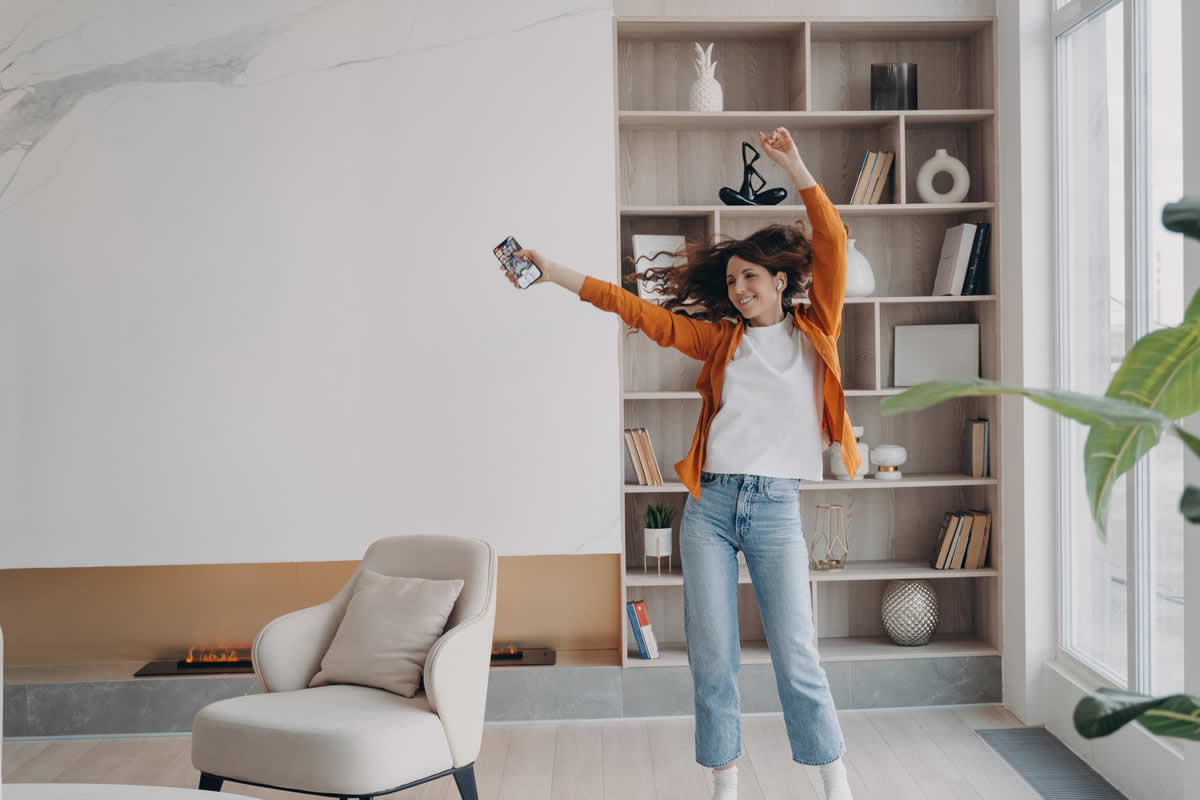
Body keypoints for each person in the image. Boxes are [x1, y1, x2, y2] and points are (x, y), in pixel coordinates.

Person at [499, 127, 858, 800]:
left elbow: (832, 239)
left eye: (750, 277)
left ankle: (833, 784)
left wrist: (795, 165)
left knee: (797, 657)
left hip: (777, 508)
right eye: (732, 281)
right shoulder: (719, 342)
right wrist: (554, 273)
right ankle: (725, 784)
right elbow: (637, 310)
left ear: (780, 281)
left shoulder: (818, 329)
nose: (740, 288)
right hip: (711, 510)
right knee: (713, 660)